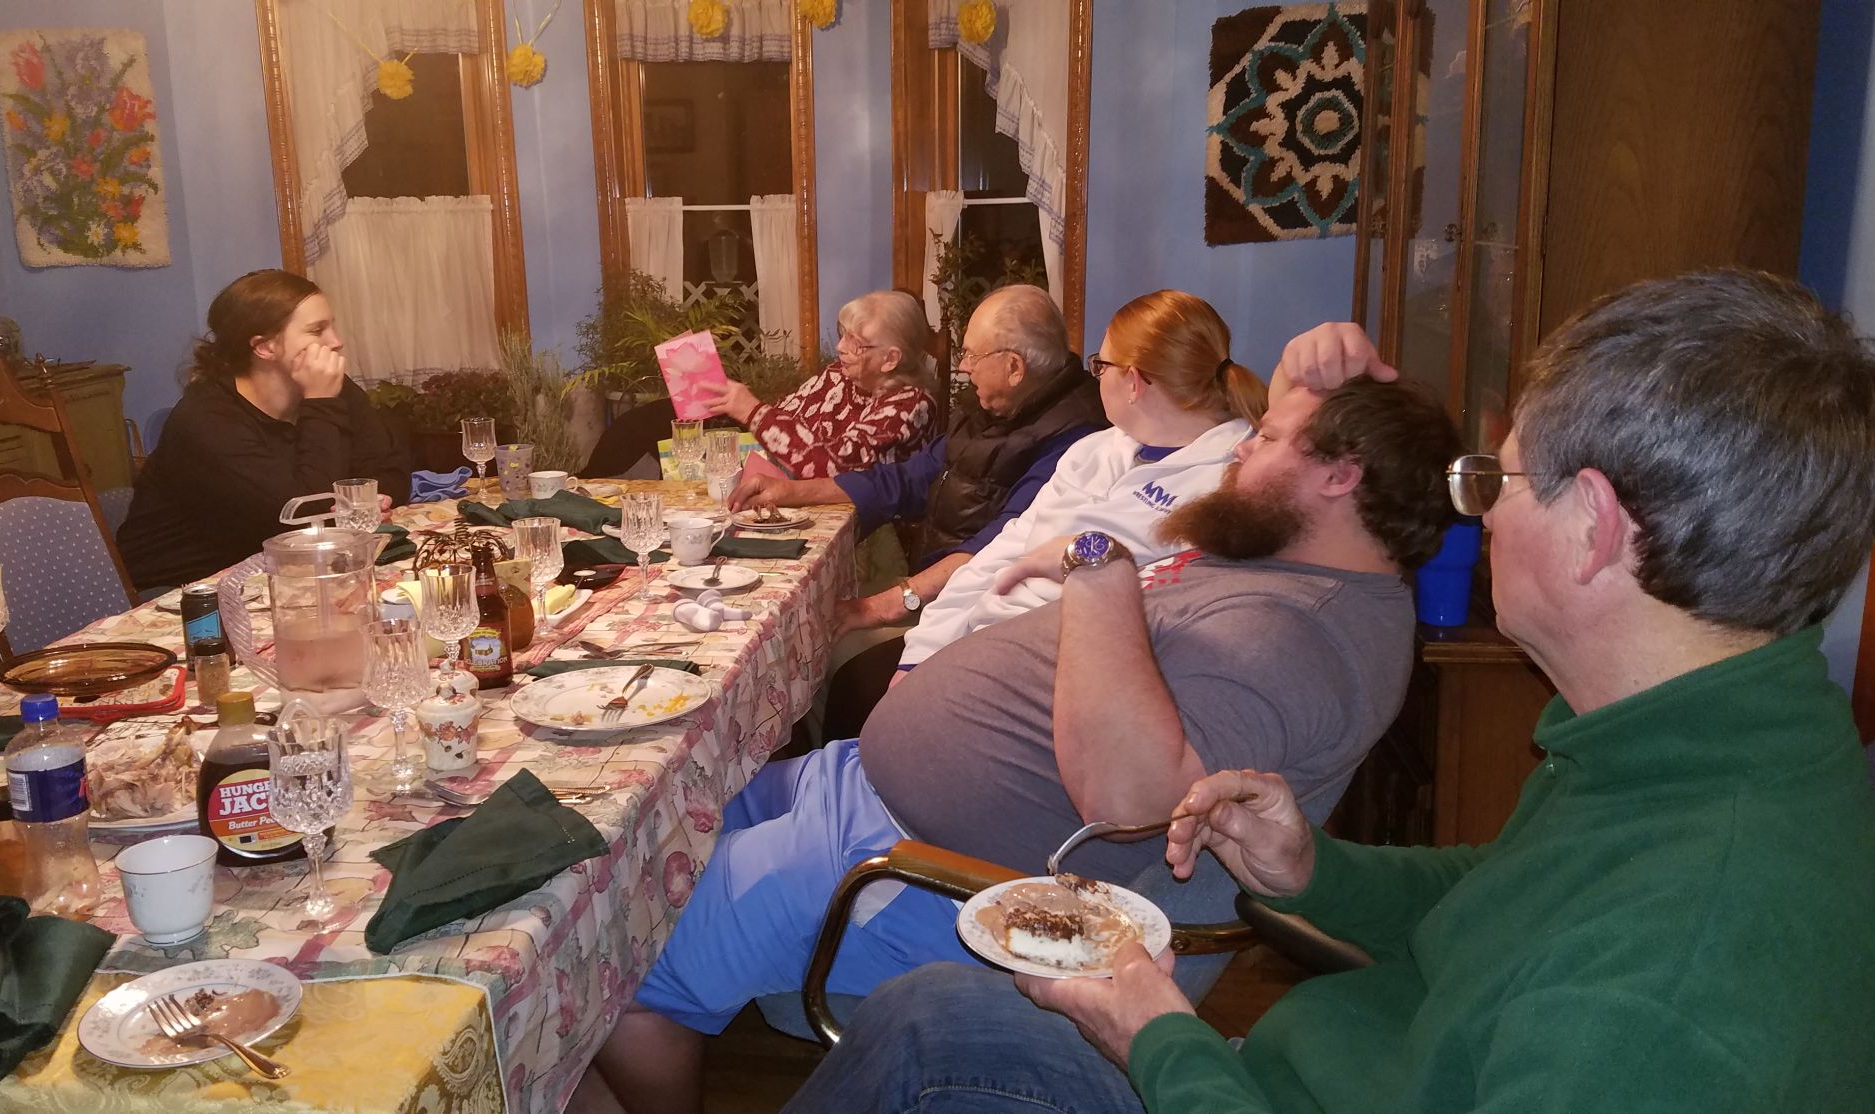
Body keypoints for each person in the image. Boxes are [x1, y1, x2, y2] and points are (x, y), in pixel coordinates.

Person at [782, 269, 1875, 1114]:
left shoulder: (1671, 999)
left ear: (1594, 525)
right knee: (932, 1016)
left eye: (1495, 479)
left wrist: (1159, 1039)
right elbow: (1495, 894)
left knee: (927, 1037)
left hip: (1242, 1085)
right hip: (1295, 1066)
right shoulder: (1667, 742)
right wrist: (1316, 869)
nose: (1475, 512)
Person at [587, 372, 1464, 1114]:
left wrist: (1098, 569)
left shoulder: (1294, 640)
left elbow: (1127, 800)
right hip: (865, 792)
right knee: (637, 837)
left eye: (1267, 438)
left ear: (1341, 477)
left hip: (918, 866)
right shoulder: (1292, 565)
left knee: (618, 966)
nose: (1240, 450)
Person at [888, 289, 1270, 678]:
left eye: (1101, 365)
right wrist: (920, 653)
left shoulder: (1227, 482)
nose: (1095, 376)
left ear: (1133, 382)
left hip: (1058, 671)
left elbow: (1150, 621)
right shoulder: (1093, 450)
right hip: (978, 643)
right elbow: (1004, 549)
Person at [726, 284, 1108, 622]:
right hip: (939, 586)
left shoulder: (1074, 441)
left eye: (972, 355)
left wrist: (889, 604)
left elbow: (1002, 546)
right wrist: (793, 491)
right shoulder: (998, 407)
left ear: (1013, 367)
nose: (963, 366)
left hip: (981, 610)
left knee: (823, 640)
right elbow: (912, 476)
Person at [117, 269, 410, 590]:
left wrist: (376, 500)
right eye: (317, 330)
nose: (336, 342)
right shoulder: (205, 420)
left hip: (284, 571)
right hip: (185, 589)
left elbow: (391, 467)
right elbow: (299, 517)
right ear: (264, 347)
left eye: (332, 326)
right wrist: (321, 402)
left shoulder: (330, 388)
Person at [701, 289, 937, 479]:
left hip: (869, 522)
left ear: (890, 359)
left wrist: (752, 411)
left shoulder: (912, 405)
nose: (839, 347)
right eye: (843, 334)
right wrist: (728, 397)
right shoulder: (838, 375)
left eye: (856, 343)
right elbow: (784, 419)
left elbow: (835, 467)